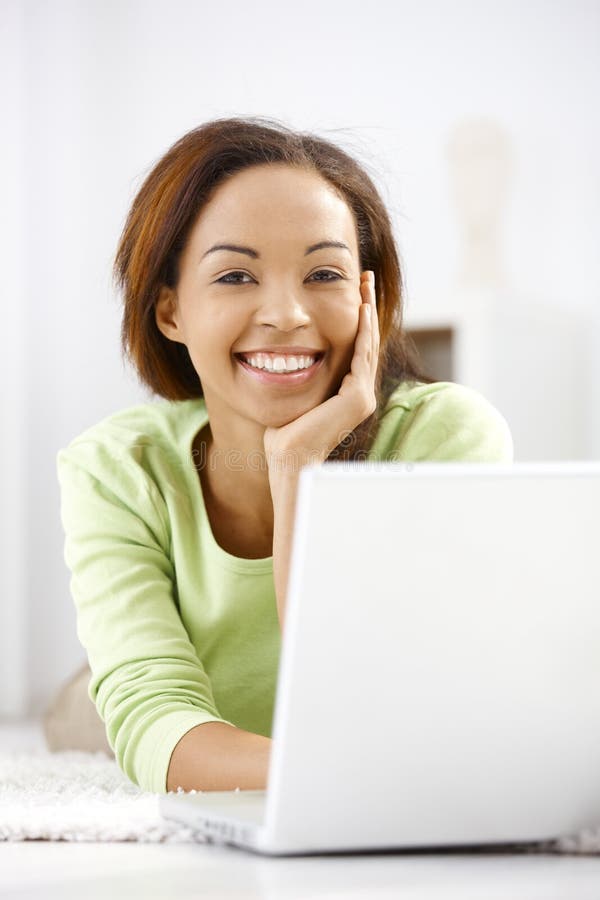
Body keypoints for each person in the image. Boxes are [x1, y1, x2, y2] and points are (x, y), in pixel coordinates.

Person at [56, 116, 513, 795]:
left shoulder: (447, 437)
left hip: (260, 740)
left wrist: (300, 471)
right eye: (237, 276)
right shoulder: (118, 467)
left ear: (370, 298)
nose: (288, 314)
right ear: (170, 310)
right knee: (76, 719)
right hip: (157, 692)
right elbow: (157, 723)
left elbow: (376, 708)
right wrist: (343, 773)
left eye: (323, 272)